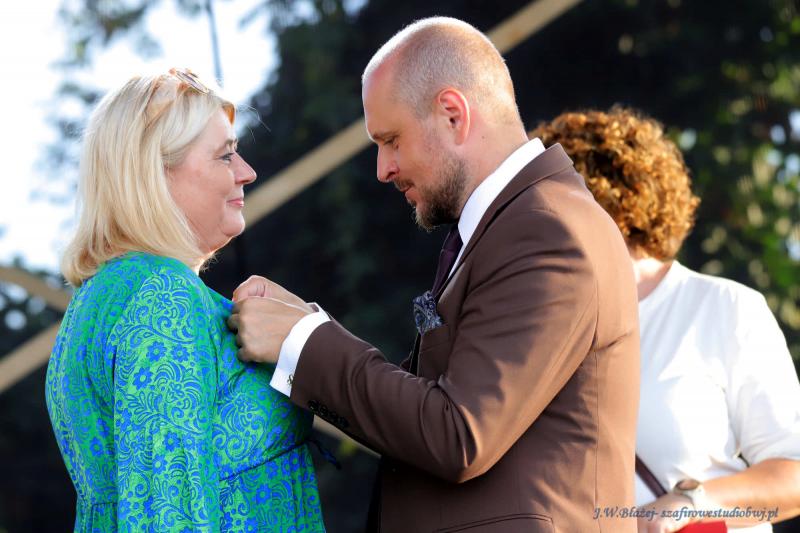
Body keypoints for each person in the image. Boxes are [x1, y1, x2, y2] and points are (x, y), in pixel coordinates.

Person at [229, 18, 641, 533]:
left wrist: (303, 342)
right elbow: (428, 413)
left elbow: (459, 434)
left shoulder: (546, 230)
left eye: (391, 140)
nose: (382, 168)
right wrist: (308, 327)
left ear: (452, 114)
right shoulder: (514, 226)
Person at [45, 68, 325, 532]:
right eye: (225, 155)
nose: (247, 172)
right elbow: (169, 509)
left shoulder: (100, 298)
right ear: (154, 174)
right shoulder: (163, 298)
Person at [532, 107, 800, 533]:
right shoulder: (541, 324)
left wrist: (690, 502)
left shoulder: (726, 307)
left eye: (549, 199)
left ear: (605, 202)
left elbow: (794, 476)